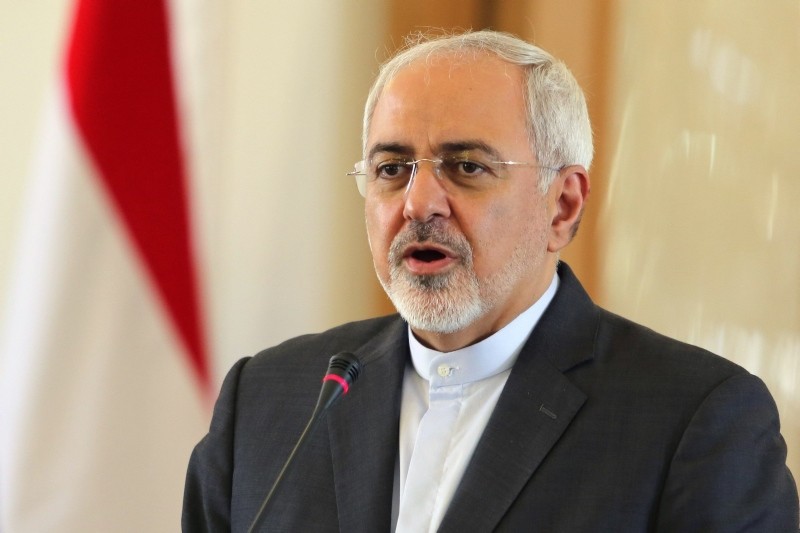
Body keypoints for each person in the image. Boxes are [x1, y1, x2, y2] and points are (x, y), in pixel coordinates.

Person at [182, 30, 798, 532]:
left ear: (562, 206)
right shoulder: (269, 400)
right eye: (392, 168)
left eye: (467, 166)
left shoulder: (695, 418)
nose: (419, 202)